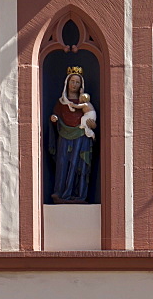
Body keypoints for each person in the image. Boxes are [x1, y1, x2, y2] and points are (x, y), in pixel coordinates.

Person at [48, 66, 97, 203]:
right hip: (64, 135)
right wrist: (54, 119)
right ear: (67, 83)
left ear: (81, 86)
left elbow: (91, 119)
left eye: (77, 82)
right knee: (63, 163)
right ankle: (61, 193)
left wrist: (92, 125)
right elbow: (55, 116)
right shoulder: (61, 103)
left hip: (81, 136)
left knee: (78, 164)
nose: (74, 85)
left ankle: (78, 194)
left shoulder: (84, 103)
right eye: (72, 81)